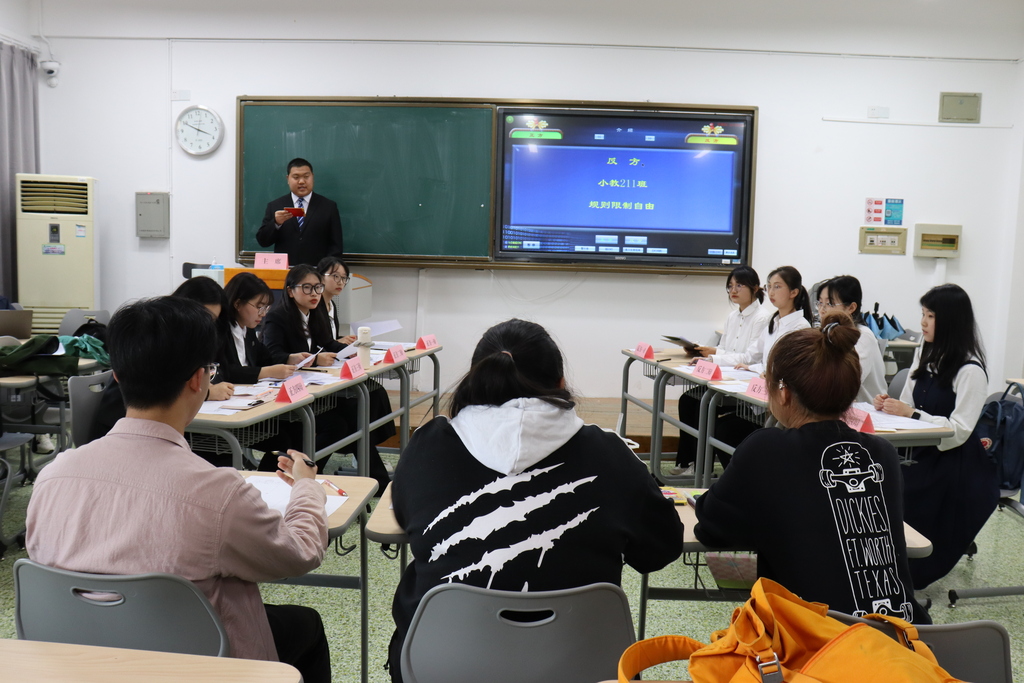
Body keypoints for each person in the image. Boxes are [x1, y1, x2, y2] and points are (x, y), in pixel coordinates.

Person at [26, 296, 332, 682]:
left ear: (117, 376)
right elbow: (300, 552)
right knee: (306, 625)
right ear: (198, 379)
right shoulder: (218, 494)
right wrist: (307, 489)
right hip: (199, 665)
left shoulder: (53, 477)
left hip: (84, 661)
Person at [387, 319, 684, 682]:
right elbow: (660, 549)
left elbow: (406, 518)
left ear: (478, 378)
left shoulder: (428, 445)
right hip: (584, 669)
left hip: (441, 666)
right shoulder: (610, 454)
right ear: (560, 382)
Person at [694, 312, 927, 623]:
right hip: (899, 634)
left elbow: (711, 527)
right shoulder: (882, 453)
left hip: (814, 639)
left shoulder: (765, 448)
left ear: (783, 392)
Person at [873, 283, 998, 588]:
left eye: (931, 316)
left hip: (955, 460)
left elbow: (960, 429)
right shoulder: (924, 353)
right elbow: (908, 403)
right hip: (920, 449)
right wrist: (889, 406)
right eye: (923, 314)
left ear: (951, 321)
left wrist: (912, 414)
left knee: (908, 493)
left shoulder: (970, 370)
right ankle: (880, 561)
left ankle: (907, 571)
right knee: (881, 482)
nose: (923, 323)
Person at [262, 265, 395, 490]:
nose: (314, 293)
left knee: (358, 409)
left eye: (317, 287)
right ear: (290, 291)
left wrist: (351, 350)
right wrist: (311, 359)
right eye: (307, 288)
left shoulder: (316, 313)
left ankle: (370, 479)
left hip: (314, 385)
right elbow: (272, 355)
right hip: (287, 390)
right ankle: (373, 480)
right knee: (345, 419)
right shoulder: (277, 317)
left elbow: (327, 343)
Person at [87, 277, 235, 449]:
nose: (207, 327)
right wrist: (207, 393)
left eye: (213, 321)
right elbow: (160, 392)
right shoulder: (154, 347)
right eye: (204, 317)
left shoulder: (188, 345)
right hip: (127, 441)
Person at [673, 265, 772, 475]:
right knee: (688, 400)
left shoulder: (762, 318)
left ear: (755, 288)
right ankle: (687, 463)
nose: (733, 290)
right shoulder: (733, 316)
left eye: (739, 285)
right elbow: (728, 349)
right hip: (726, 379)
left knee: (702, 404)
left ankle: (701, 467)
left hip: (743, 384)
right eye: (730, 286)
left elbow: (749, 357)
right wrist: (708, 352)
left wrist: (713, 357)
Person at [221, 272, 306, 384]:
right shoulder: (219, 331)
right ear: (237, 304)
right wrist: (266, 372)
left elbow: (265, 358)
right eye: (259, 307)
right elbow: (223, 371)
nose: (263, 314)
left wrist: (290, 359)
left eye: (266, 308)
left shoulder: (248, 329)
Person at [256, 158, 344, 266]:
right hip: (286, 271)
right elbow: (263, 241)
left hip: (317, 271)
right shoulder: (275, 206)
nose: (302, 181)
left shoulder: (328, 207)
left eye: (306, 176)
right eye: (296, 177)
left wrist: (326, 270)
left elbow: (336, 246)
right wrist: (276, 223)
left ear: (312, 177)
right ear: (288, 179)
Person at [726, 265, 812, 374]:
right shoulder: (774, 323)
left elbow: (791, 369)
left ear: (793, 292)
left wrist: (763, 372)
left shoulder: (801, 327)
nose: (771, 292)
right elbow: (752, 357)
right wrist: (751, 367)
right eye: (769, 286)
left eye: (777, 287)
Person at [817, 275, 886, 403]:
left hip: (865, 409)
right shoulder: (826, 333)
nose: (822, 310)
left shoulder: (863, 336)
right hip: (835, 405)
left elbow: (846, 383)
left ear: (851, 308)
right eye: (820, 303)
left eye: (829, 304)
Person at [317, 255, 356, 344]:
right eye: (336, 276)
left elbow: (332, 338)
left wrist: (346, 340)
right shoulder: (314, 305)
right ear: (321, 277)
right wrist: (338, 342)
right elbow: (318, 343)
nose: (341, 282)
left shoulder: (331, 304)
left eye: (344, 278)